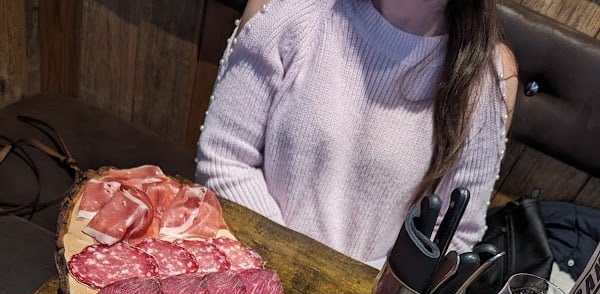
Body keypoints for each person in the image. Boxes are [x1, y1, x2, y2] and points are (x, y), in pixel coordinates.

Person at [196, 0, 518, 268]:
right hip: (247, 264)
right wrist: (291, 265)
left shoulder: (489, 76)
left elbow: (452, 235)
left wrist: (358, 290)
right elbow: (225, 161)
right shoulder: (289, 8)